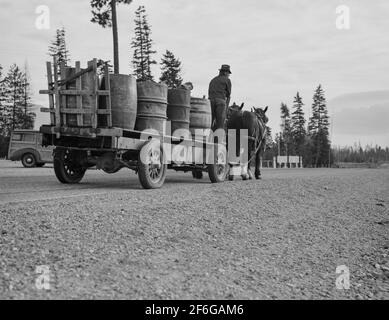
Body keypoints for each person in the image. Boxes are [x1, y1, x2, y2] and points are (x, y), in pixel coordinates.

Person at [208, 64, 232, 132]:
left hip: (210, 101)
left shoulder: (213, 80)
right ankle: (218, 140)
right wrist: (226, 109)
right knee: (220, 123)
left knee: (210, 122)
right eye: (228, 73)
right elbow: (228, 95)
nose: (228, 75)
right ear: (225, 72)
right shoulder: (227, 80)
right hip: (220, 102)